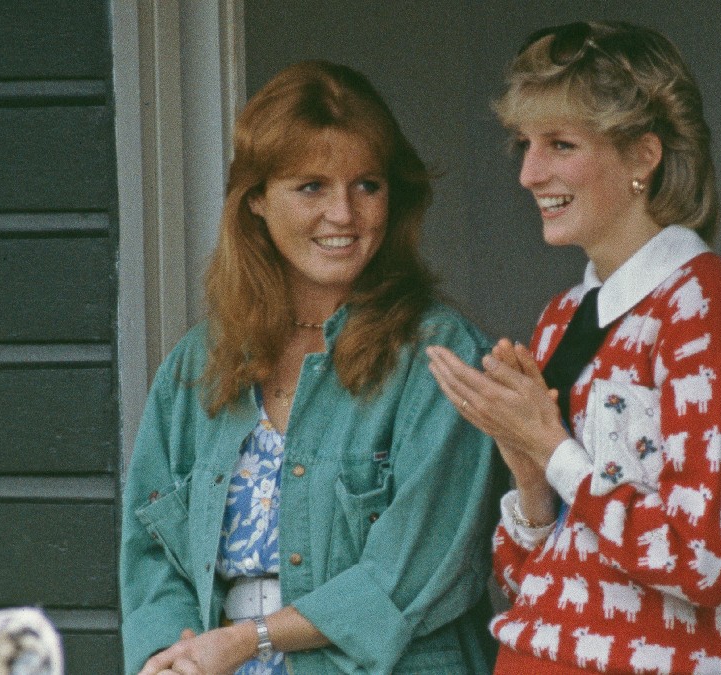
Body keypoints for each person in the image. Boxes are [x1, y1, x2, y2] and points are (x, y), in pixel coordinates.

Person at [426, 21, 721, 673]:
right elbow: (531, 577)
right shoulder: (565, 315)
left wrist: (551, 448)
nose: (530, 173)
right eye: (524, 144)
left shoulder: (708, 304)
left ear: (643, 155)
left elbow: (702, 560)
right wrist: (531, 477)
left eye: (560, 144)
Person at [120, 60, 498, 675]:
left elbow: (414, 574)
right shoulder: (199, 363)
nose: (344, 215)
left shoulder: (440, 357)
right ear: (258, 203)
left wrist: (249, 640)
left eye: (367, 185)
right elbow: (152, 551)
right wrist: (171, 657)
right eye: (311, 186)